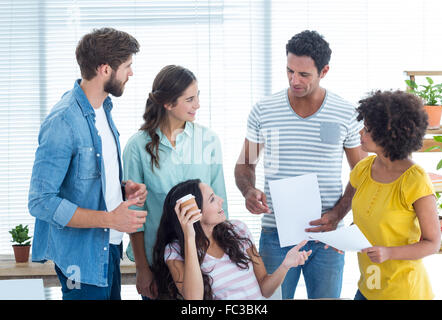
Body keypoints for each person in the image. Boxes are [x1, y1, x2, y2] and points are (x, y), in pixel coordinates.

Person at [234, 30, 367, 299]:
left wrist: (340, 212)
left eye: (304, 74)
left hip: (328, 236)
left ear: (324, 71)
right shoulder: (264, 110)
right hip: (276, 235)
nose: (294, 80)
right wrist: (248, 190)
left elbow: (362, 173)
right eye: (289, 71)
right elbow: (245, 164)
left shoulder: (346, 113)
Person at [28, 28, 148, 300]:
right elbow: (40, 201)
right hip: (80, 258)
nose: (131, 73)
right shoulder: (63, 120)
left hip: (109, 246)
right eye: (127, 66)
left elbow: (85, 178)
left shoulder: (102, 111)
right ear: (105, 69)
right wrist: (110, 218)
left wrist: (120, 189)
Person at [122, 65, 228, 299]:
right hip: (158, 264)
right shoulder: (137, 147)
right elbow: (135, 216)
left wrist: (227, 257)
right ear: (168, 104)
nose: (197, 104)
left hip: (204, 261)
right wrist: (142, 269)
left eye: (198, 95)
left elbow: (221, 204)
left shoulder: (208, 140)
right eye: (190, 99)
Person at [150, 179, 312, 300]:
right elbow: (193, 299)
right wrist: (190, 236)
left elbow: (265, 289)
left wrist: (285, 265)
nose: (221, 200)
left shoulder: (238, 229)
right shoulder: (175, 250)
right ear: (194, 211)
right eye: (212, 199)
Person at [351, 90, 441, 300]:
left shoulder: (415, 180)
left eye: (367, 129)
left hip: (402, 292)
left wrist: (389, 253)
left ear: (389, 134)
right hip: (367, 288)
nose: (360, 134)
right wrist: (345, 240)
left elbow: (432, 243)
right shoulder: (363, 169)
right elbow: (370, 222)